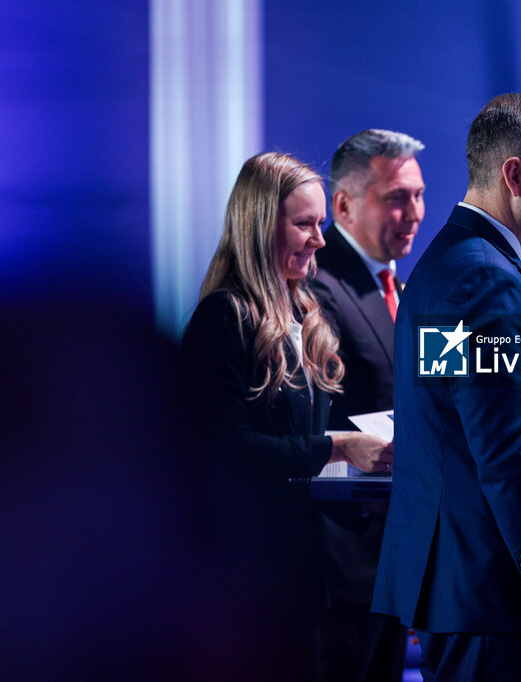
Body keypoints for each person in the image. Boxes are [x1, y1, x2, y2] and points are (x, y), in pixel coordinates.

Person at [371, 93, 521, 681]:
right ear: (514, 174)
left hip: (466, 588)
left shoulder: (451, 262)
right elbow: (504, 451)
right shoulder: (483, 277)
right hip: (492, 593)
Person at [179, 152, 392, 678]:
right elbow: (224, 448)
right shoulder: (224, 317)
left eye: (320, 223)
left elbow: (295, 447)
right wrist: (339, 447)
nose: (320, 239)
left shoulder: (305, 316)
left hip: (313, 574)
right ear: (258, 228)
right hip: (253, 579)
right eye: (305, 224)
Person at [308, 129, 425, 682]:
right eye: (397, 197)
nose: (415, 212)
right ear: (344, 204)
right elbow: (313, 423)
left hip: (392, 557)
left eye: (419, 195)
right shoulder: (317, 286)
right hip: (342, 559)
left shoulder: (405, 288)